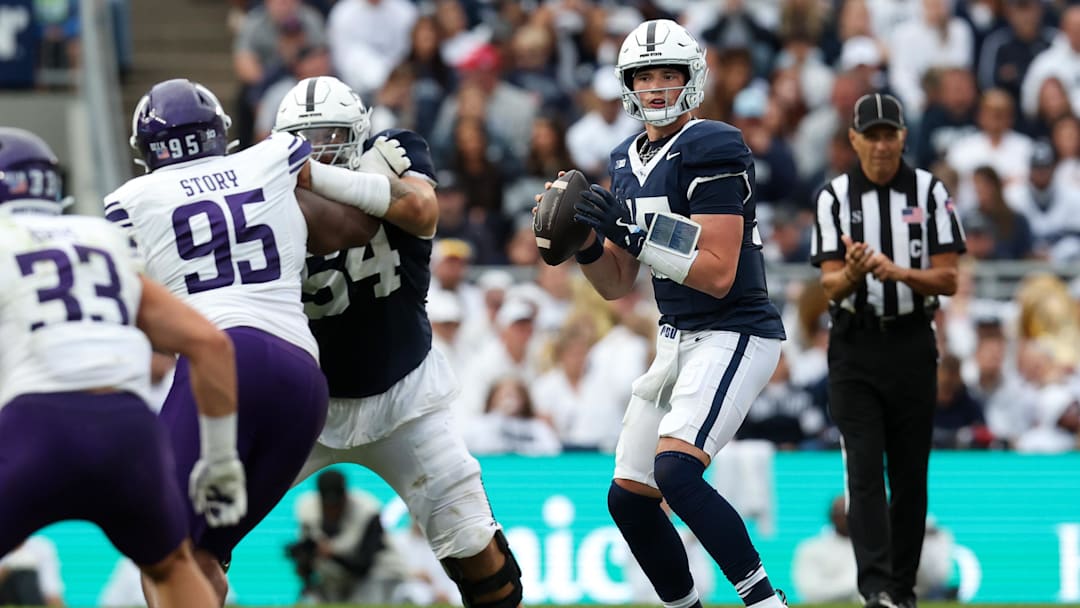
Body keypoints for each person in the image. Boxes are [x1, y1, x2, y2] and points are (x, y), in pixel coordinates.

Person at [105, 77, 399, 605]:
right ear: (220, 133)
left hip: (221, 362)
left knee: (164, 550)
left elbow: (121, 308)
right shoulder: (272, 157)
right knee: (202, 558)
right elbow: (370, 210)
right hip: (304, 379)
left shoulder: (131, 200)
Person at [557, 19, 788, 608]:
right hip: (676, 334)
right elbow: (614, 283)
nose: (657, 87)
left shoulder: (715, 143)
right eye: (645, 76)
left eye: (668, 74)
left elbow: (717, 271)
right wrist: (586, 244)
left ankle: (765, 602)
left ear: (692, 78)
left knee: (677, 474)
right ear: (627, 83)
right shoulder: (622, 156)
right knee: (628, 499)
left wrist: (629, 229)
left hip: (734, 329)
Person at [272, 75, 524, 608]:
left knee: (479, 552)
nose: (318, 150)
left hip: (405, 394)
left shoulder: (395, 151)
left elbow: (423, 211)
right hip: (304, 406)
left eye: (331, 135)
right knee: (202, 531)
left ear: (359, 132)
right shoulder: (267, 194)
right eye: (306, 139)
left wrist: (312, 175)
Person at [0, 127, 246, 608]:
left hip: (38, 425)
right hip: (127, 428)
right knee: (171, 565)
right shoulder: (103, 239)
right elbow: (209, 343)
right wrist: (221, 462)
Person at [809, 92, 966, 608]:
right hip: (855, 343)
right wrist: (854, 274)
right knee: (862, 467)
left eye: (888, 134)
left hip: (910, 340)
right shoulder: (833, 198)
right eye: (870, 134)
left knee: (908, 471)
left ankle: (903, 587)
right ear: (853, 139)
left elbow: (949, 277)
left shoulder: (929, 191)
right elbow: (829, 287)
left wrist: (900, 273)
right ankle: (876, 587)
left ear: (902, 137)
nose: (880, 144)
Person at [286, 469, 409, 603]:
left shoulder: (367, 510)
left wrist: (330, 553)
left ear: (345, 495)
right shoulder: (307, 509)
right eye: (328, 505)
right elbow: (307, 555)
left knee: (368, 592)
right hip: (338, 577)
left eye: (336, 504)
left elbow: (364, 565)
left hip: (378, 572)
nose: (333, 509)